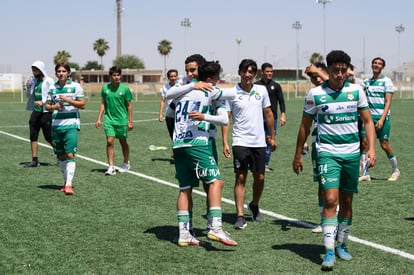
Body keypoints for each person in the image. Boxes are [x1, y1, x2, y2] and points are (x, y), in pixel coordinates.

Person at [292, 50, 376, 271]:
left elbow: (367, 122)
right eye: (335, 70)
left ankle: (342, 244)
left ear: (347, 70)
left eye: (343, 70)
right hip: (327, 152)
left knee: (347, 201)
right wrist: (297, 154)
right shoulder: (315, 94)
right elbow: (304, 126)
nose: (339, 74)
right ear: (327, 70)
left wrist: (372, 149)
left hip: (352, 154)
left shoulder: (356, 92)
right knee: (330, 199)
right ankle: (328, 250)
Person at [166, 60, 237, 247]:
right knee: (216, 181)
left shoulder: (182, 90)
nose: (219, 80)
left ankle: (184, 233)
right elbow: (227, 111)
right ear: (209, 78)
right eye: (217, 77)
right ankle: (215, 226)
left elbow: (168, 99)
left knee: (184, 188)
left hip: (179, 144)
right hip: (198, 144)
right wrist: (205, 115)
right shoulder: (209, 89)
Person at [222, 59, 276, 229]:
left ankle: (254, 204)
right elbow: (226, 118)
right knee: (240, 176)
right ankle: (239, 216)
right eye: (245, 71)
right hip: (240, 141)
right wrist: (225, 142)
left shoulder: (261, 90)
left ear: (255, 74)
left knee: (260, 177)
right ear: (239, 72)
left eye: (251, 71)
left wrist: (272, 136)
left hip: (259, 141)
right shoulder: (231, 93)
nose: (248, 74)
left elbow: (268, 113)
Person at [45, 63, 86, 195]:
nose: (61, 73)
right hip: (56, 125)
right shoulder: (52, 88)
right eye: (58, 71)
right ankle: (66, 182)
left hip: (72, 125)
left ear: (68, 73)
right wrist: (54, 107)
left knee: (69, 154)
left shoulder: (76, 86)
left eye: (63, 71)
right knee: (61, 156)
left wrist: (69, 100)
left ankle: (69, 185)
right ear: (56, 73)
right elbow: (47, 106)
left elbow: (82, 105)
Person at [359, 57, 400, 182]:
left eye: (379, 64)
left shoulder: (387, 82)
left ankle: (395, 170)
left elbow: (388, 102)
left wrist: (382, 119)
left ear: (382, 67)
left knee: (384, 144)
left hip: (382, 118)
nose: (376, 65)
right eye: (374, 63)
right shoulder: (366, 82)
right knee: (365, 144)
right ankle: (366, 173)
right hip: (369, 119)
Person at [304, 62, 329, 234]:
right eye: (313, 78)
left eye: (319, 75)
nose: (317, 79)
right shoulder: (313, 94)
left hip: (341, 144)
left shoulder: (341, 90)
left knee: (339, 186)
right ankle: (324, 220)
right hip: (318, 142)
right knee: (322, 183)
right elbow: (306, 121)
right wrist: (303, 142)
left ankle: (336, 219)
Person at [96, 66, 133, 176]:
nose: (116, 77)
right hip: (109, 120)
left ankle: (126, 163)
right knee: (109, 141)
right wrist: (99, 118)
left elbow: (129, 106)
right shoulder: (105, 88)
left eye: (118, 75)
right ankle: (111, 166)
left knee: (123, 142)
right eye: (114, 75)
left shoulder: (125, 89)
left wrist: (130, 121)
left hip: (122, 120)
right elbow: (103, 104)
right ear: (110, 76)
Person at [255, 63, 286, 172]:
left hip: (272, 118)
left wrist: (283, 115)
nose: (269, 73)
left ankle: (265, 164)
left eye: (271, 71)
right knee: (258, 140)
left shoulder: (276, 86)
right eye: (267, 71)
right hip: (258, 118)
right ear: (262, 72)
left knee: (270, 140)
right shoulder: (256, 85)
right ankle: (256, 162)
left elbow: (281, 101)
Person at [24, 61, 55, 167]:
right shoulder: (34, 81)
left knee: (48, 137)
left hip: (46, 111)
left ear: (41, 69)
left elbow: (53, 95)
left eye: (35, 69)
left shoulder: (49, 81)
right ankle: (34, 160)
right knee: (33, 135)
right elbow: (29, 96)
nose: (34, 72)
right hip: (36, 111)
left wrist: (43, 102)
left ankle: (59, 152)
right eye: (33, 69)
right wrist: (28, 86)